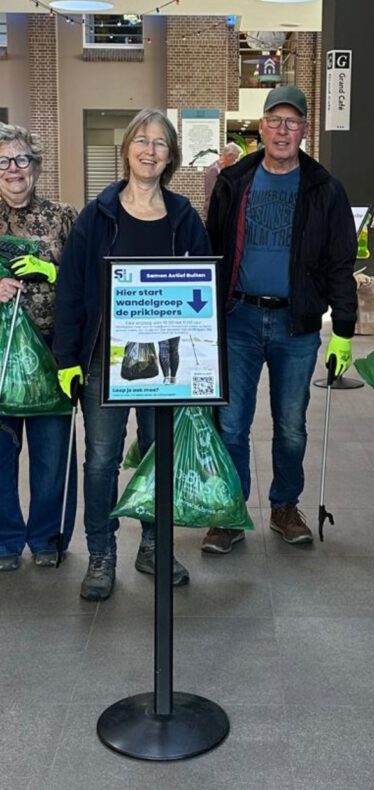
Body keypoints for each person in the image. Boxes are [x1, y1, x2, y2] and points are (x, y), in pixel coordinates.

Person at [54, 109, 211, 601]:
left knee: (156, 455)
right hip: (106, 361)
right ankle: (101, 553)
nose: (150, 150)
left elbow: (204, 284)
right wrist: (68, 358)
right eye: (141, 141)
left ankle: (154, 546)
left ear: (171, 156)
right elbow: (72, 290)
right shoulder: (97, 216)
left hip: (169, 364)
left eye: (160, 143)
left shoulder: (184, 217)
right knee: (102, 460)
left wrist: (205, 365)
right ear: (126, 150)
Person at [201, 85, 357, 555]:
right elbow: (211, 250)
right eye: (275, 120)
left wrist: (344, 331)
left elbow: (339, 263)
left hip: (297, 325)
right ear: (261, 127)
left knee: (291, 425)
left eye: (292, 122)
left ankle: (284, 506)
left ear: (305, 130)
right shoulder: (235, 182)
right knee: (232, 424)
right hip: (240, 318)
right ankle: (230, 512)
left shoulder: (325, 188)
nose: (282, 130)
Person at [0, 122, 78, 571]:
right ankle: (6, 539)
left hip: (51, 351)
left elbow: (87, 281)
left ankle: (47, 537)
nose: (14, 169)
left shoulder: (64, 217)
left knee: (51, 453)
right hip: (1, 353)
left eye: (22, 159)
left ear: (36, 166)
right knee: (0, 452)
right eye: (5, 161)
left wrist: (53, 273)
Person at [203, 142, 242, 218]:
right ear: (229, 156)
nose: (237, 161)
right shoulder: (214, 170)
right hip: (215, 214)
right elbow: (211, 195)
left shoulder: (224, 169)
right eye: (236, 158)